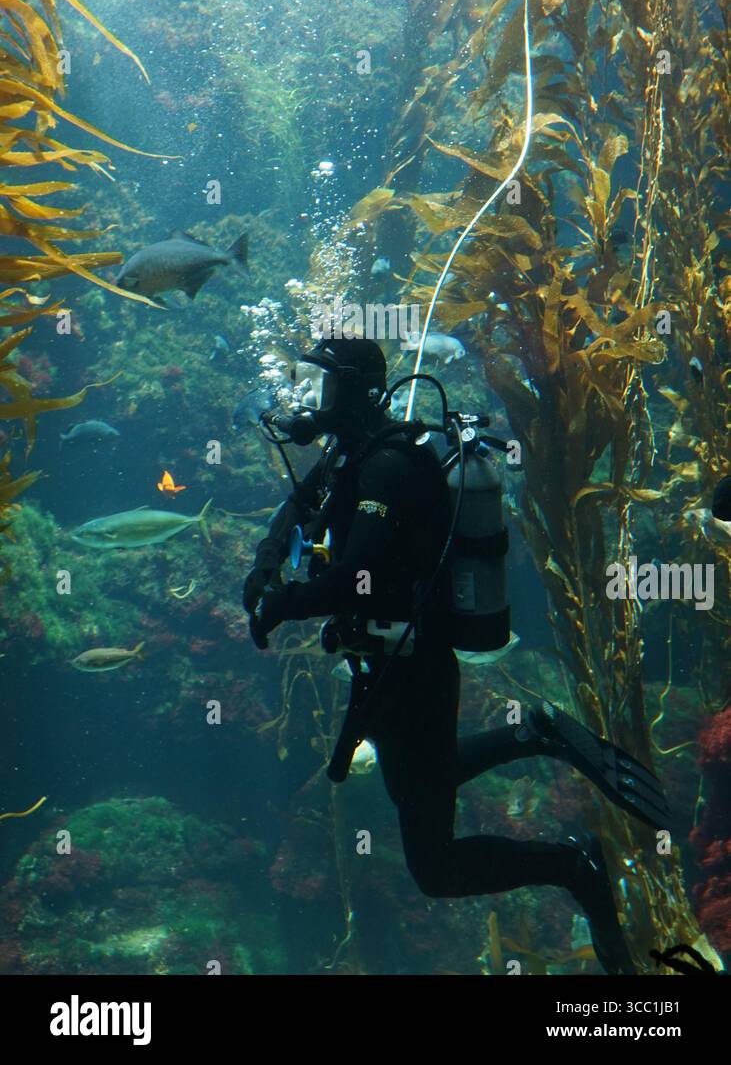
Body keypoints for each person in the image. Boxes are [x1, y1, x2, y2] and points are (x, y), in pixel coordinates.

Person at [243, 336, 670, 975]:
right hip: (385, 665)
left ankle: (573, 864)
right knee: (418, 781)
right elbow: (299, 508)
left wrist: (282, 605)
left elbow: (352, 574)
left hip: (416, 671)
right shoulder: (351, 455)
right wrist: (266, 564)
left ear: (355, 392)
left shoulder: (389, 467)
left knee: (436, 867)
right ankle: (535, 732)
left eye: (321, 384)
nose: (309, 398)